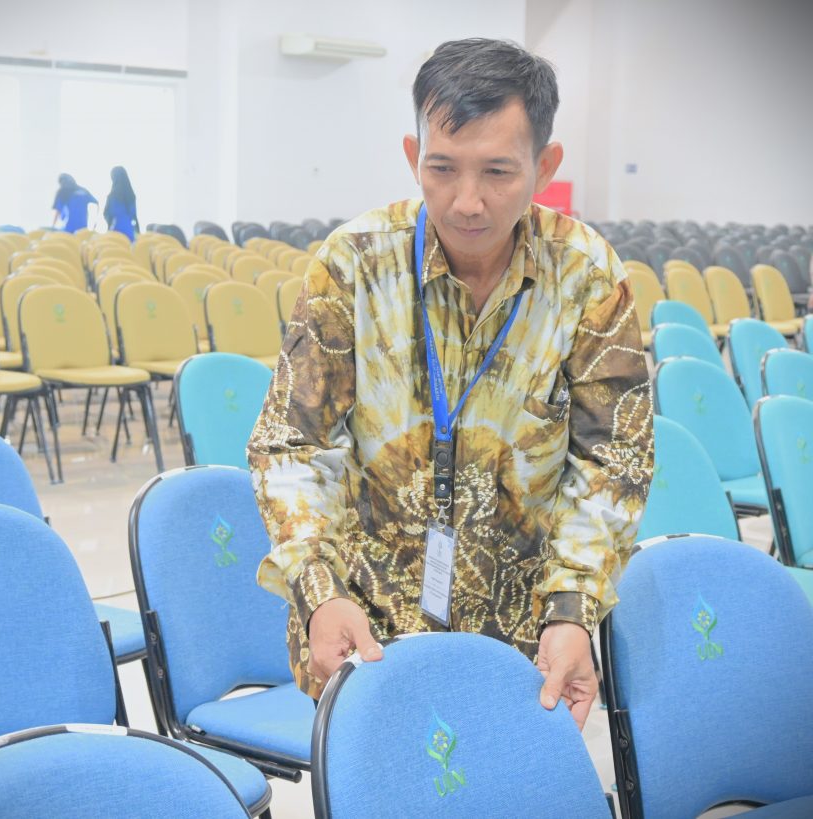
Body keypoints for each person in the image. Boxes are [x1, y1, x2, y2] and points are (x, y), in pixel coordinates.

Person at [247, 38, 653, 728]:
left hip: (526, 643)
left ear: (545, 164)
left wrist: (573, 608)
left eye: (498, 170)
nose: (467, 201)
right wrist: (318, 588)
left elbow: (614, 459)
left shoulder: (585, 277)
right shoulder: (353, 265)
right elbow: (290, 443)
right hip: (365, 629)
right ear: (413, 156)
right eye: (441, 168)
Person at [104, 166, 140, 241]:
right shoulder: (131, 196)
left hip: (115, 233)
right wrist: (138, 233)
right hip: (130, 233)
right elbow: (134, 216)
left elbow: (106, 214)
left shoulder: (112, 196)